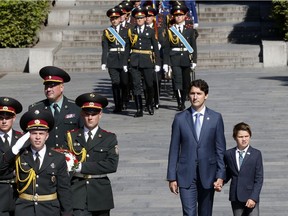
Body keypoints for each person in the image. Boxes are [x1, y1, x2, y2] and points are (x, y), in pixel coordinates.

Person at [167, 79, 226, 216]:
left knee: (205, 212)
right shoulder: (180, 118)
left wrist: (221, 175)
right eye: (192, 93)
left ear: (206, 95)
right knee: (189, 212)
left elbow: (220, 149)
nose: (195, 97)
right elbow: (174, 148)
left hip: (208, 174)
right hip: (186, 174)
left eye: (199, 93)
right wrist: (172, 177)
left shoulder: (216, 118)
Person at [0, 109, 73, 216]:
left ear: (47, 136)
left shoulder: (58, 158)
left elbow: (64, 189)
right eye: (34, 133)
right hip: (24, 209)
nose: (38, 137)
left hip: (49, 210)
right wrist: (14, 150)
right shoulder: (20, 156)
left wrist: (67, 213)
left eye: (41, 133)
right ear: (28, 136)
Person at [65, 92, 119, 216]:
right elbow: (64, 161)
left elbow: (111, 165)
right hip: (77, 192)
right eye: (87, 114)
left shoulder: (108, 138)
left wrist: (81, 167)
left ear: (100, 114)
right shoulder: (71, 136)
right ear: (82, 114)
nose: (90, 118)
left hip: (100, 193)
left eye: (94, 114)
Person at [29, 66, 82, 149]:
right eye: (46, 86)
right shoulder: (36, 109)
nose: (48, 89)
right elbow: (28, 137)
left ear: (61, 87)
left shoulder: (76, 108)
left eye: (52, 85)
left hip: (70, 155)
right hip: (46, 157)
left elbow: (83, 135)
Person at [223, 122, 263, 216]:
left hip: (251, 196)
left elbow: (259, 178)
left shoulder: (256, 154)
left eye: (246, 136)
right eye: (241, 137)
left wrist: (253, 197)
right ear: (235, 137)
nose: (244, 139)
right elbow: (228, 173)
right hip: (236, 197)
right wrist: (220, 181)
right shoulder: (229, 154)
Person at [128, 7, 161, 117]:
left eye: (141, 18)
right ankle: (139, 109)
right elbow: (127, 47)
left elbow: (155, 48)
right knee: (136, 85)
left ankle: (149, 104)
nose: (139, 20)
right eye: (137, 18)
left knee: (149, 85)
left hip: (147, 61)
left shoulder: (150, 31)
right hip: (135, 61)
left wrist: (157, 63)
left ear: (144, 19)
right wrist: (125, 62)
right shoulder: (131, 31)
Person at [166, 3, 197, 111]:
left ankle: (183, 99)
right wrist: (167, 62)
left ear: (185, 16)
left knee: (186, 82)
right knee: (177, 80)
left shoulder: (189, 30)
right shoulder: (170, 31)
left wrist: (194, 60)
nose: (178, 17)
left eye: (180, 15)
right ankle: (180, 102)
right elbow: (167, 47)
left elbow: (193, 46)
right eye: (176, 15)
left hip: (186, 58)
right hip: (174, 58)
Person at [101, 7, 130, 113]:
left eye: (116, 18)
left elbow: (129, 46)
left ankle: (125, 101)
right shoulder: (107, 32)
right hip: (112, 60)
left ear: (120, 19)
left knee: (125, 83)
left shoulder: (127, 30)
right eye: (112, 18)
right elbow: (105, 48)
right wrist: (104, 62)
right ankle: (118, 105)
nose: (114, 20)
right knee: (115, 83)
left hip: (123, 59)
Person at [0, 97, 22, 216]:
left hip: (17, 194)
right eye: (1, 118)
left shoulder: (21, 139)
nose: (4, 121)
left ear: (14, 118)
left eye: (7, 118)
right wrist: (14, 172)